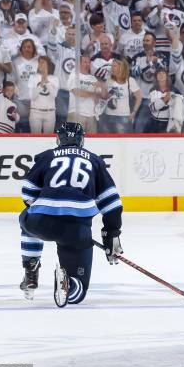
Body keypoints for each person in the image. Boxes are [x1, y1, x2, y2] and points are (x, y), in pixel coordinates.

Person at [18, 122, 123, 307]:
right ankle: (69, 283)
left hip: (42, 222)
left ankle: (31, 268)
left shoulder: (47, 156)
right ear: (82, 140)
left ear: (58, 139)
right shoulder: (95, 160)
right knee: (78, 292)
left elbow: (27, 192)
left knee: (28, 217)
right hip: (77, 230)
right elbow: (112, 202)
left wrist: (43, 207)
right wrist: (111, 234)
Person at [29, 56, 59, 134]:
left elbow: (54, 95)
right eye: (39, 62)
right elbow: (32, 96)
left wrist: (46, 80)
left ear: (48, 65)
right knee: (35, 139)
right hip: (35, 112)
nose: (40, 64)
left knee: (48, 140)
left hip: (50, 113)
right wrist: (41, 83)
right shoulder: (32, 78)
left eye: (42, 62)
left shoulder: (54, 79)